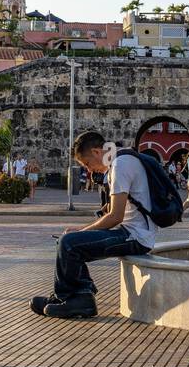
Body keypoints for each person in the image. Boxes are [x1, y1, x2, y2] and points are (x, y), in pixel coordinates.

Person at [30, 130, 155, 320]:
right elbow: (112, 210)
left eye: (87, 164)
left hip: (136, 237)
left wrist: (81, 231)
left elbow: (115, 217)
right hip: (130, 232)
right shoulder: (120, 160)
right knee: (67, 240)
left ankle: (77, 299)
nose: (89, 170)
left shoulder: (121, 165)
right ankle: (72, 296)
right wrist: (79, 232)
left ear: (97, 152)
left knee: (69, 243)